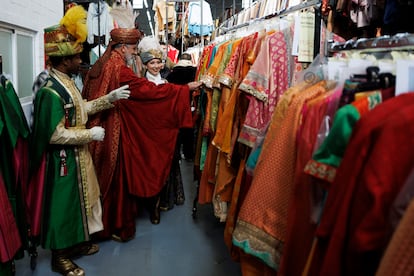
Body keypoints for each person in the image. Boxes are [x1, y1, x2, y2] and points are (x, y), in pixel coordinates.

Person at [30, 5, 130, 276]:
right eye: (76, 57)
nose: (81, 60)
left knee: (82, 202)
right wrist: (90, 134)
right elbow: (54, 133)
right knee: (63, 208)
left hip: (77, 156)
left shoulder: (67, 81)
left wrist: (109, 99)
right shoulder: (50, 93)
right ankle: (59, 257)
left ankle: (74, 244)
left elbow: (81, 108)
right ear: (64, 61)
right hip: (63, 161)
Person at [82, 28, 201, 241]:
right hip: (112, 129)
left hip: (98, 126)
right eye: (134, 49)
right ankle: (114, 225)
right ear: (123, 47)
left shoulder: (103, 64)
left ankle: (97, 224)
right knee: (116, 176)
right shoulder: (119, 67)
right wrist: (185, 90)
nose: (135, 53)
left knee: (101, 175)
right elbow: (147, 91)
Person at [138, 36, 185, 211]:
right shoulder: (142, 84)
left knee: (167, 165)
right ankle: (153, 203)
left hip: (166, 130)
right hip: (150, 133)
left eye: (159, 62)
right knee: (152, 167)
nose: (157, 66)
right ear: (145, 65)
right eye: (152, 63)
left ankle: (164, 200)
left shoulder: (166, 82)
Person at [167, 53, 197, 161]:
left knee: (177, 130)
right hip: (190, 105)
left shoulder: (172, 74)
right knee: (188, 130)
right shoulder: (195, 72)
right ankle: (189, 154)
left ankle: (176, 154)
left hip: (175, 105)